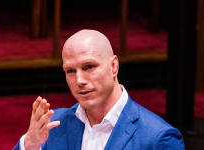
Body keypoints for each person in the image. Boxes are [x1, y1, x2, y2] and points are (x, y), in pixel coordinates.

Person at [13, 29, 185, 150]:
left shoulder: (158, 138)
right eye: (70, 71)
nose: (79, 80)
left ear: (114, 66)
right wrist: (30, 144)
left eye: (89, 67)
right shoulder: (53, 125)